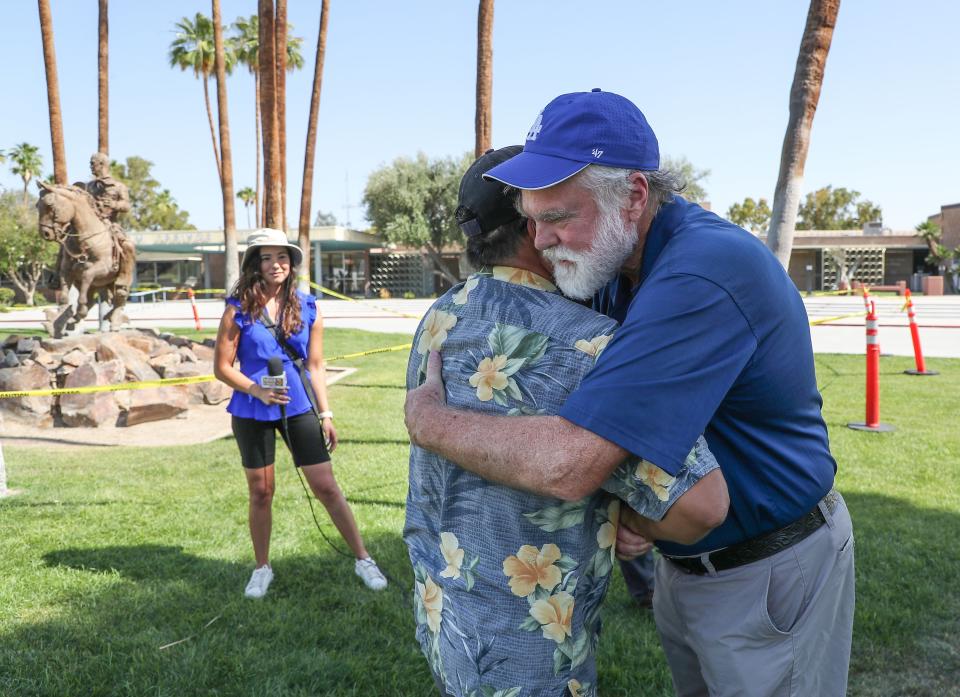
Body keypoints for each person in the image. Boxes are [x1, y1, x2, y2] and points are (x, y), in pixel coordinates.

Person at [406, 90, 855, 697]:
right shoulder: (612, 261)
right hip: (691, 560)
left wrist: (430, 422)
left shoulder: (701, 272)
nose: (539, 241)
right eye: (533, 220)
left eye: (560, 217)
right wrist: (638, 514)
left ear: (635, 196)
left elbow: (570, 463)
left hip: (767, 570)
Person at [404, 147, 728, 697]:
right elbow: (703, 506)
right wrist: (638, 524)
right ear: (535, 226)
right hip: (535, 658)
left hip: (444, 620)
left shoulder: (439, 317)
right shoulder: (586, 343)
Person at [214, 228, 387, 599]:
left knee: (325, 486)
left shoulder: (309, 307)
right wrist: (256, 390)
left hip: (299, 407)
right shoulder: (237, 309)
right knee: (261, 491)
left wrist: (326, 414)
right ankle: (262, 568)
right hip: (251, 409)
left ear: (292, 263)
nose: (275, 264)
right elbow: (222, 367)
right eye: (266, 257)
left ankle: (363, 558)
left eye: (282, 257)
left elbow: (316, 364)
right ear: (254, 264)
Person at [83, 152, 135, 299]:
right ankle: (57, 277)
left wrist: (114, 204)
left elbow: (126, 205)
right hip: (90, 226)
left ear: (102, 164)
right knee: (67, 243)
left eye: (92, 163)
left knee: (128, 246)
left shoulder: (118, 186)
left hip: (110, 224)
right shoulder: (88, 187)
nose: (90, 166)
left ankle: (123, 281)